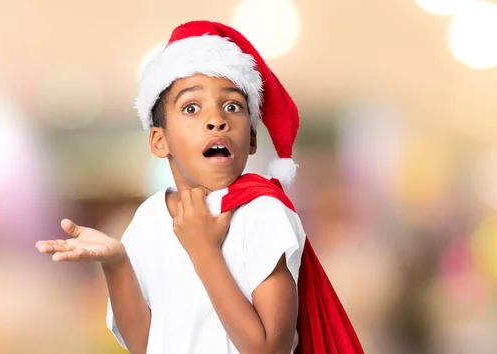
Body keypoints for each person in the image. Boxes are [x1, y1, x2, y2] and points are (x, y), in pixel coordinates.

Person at [36, 21, 363, 354]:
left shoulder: (263, 213)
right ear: (159, 140)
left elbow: (269, 349)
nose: (216, 119)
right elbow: (145, 344)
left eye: (233, 106)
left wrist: (204, 251)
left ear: (251, 138)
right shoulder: (149, 218)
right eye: (191, 108)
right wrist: (118, 264)